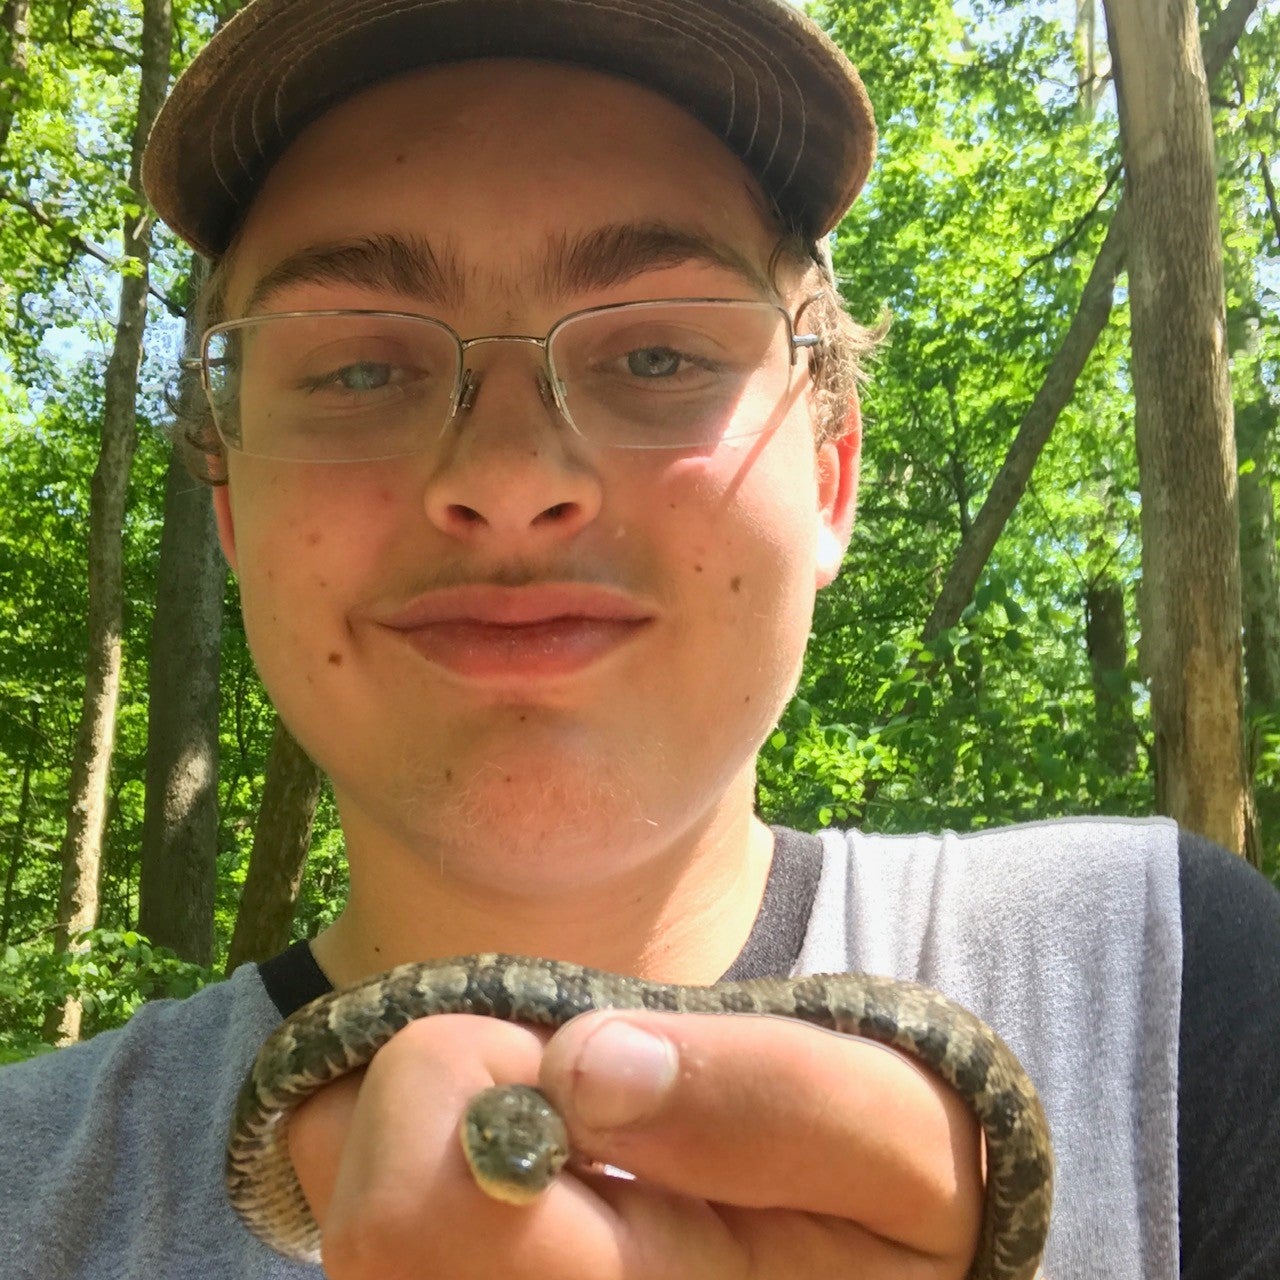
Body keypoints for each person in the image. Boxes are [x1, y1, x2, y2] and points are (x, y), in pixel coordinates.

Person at [2, 1, 1278, 1277]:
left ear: (830, 477)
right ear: (231, 505)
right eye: (354, 369)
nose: (506, 474)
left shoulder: (1175, 983)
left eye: (658, 351)